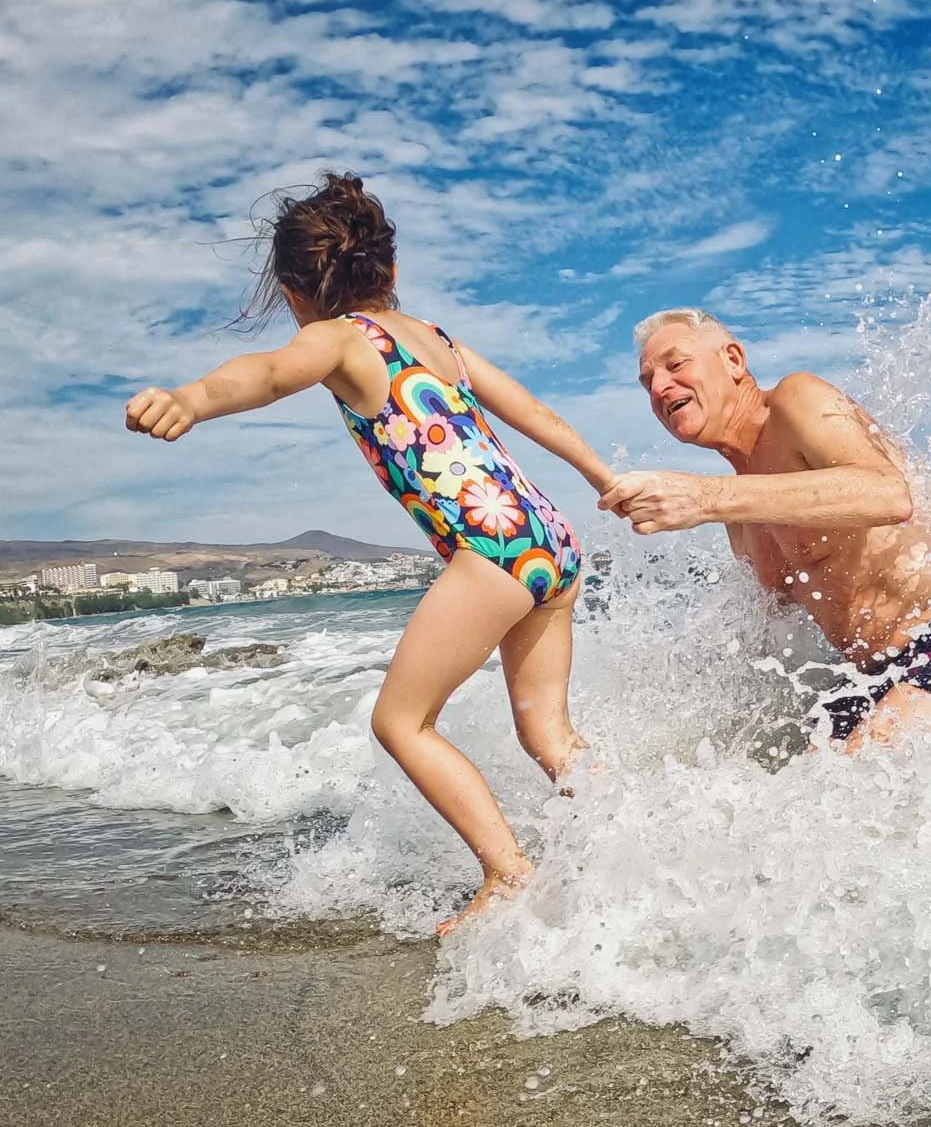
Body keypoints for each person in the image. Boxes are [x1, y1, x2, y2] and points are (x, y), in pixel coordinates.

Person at [124, 173, 614, 935]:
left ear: (294, 290)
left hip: (492, 548)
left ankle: (510, 873)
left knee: (401, 723)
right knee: (547, 732)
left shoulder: (339, 339)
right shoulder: (438, 340)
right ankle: (633, 835)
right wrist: (605, 478)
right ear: (388, 268)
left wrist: (192, 398)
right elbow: (535, 410)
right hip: (552, 538)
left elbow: (265, 374)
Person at [599, 308, 931, 746]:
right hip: (871, 677)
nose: (661, 387)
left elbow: (888, 494)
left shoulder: (796, 400)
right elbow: (766, 623)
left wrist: (704, 499)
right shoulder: (741, 506)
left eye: (676, 364)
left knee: (857, 771)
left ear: (734, 361)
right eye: (648, 383)